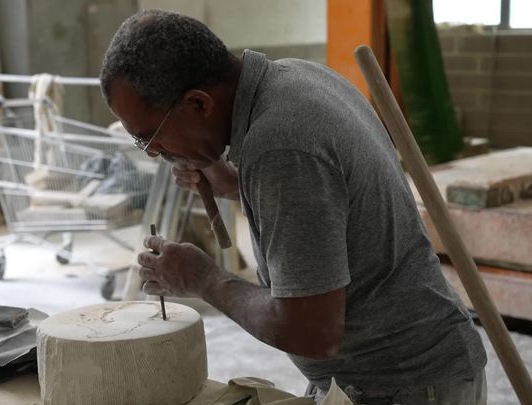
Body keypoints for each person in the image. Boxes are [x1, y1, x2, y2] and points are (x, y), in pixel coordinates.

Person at [100, 9, 486, 404]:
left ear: (198, 104)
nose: (155, 155)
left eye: (150, 139)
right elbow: (327, 201)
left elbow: (310, 331)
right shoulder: (295, 77)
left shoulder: (282, 145)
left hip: (403, 384)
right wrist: (237, 183)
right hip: (390, 373)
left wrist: (205, 280)